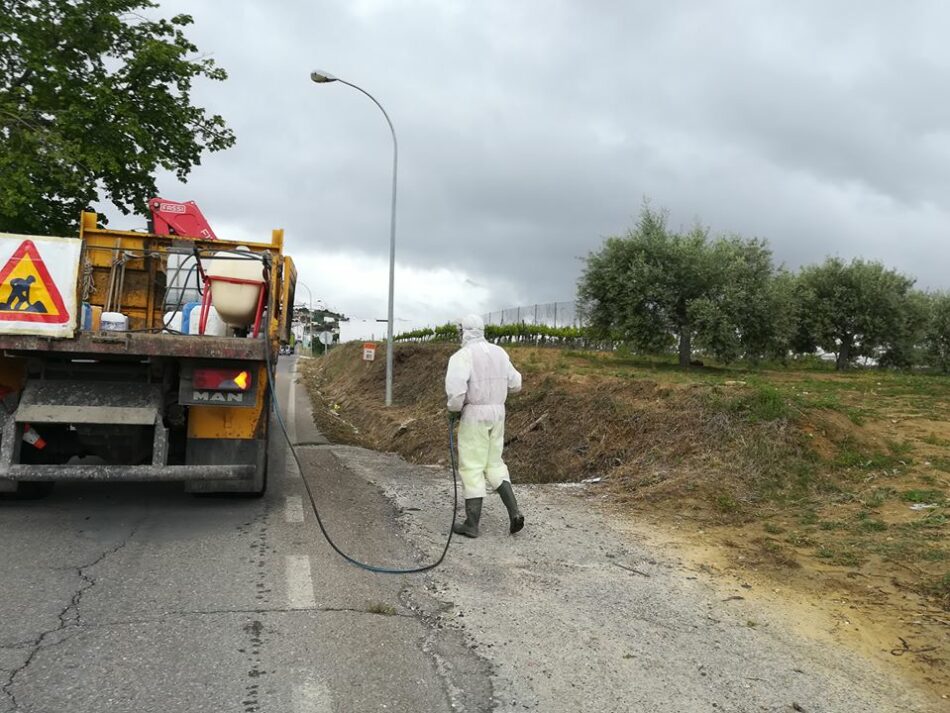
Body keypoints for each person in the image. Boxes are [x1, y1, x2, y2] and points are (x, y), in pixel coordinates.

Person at [445, 314, 524, 538]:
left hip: (474, 414)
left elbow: (456, 393)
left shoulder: (462, 356)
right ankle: (514, 513)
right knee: (494, 463)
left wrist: (453, 410)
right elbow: (516, 383)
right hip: (498, 413)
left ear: (464, 332)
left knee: (472, 466)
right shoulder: (500, 352)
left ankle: (471, 524)